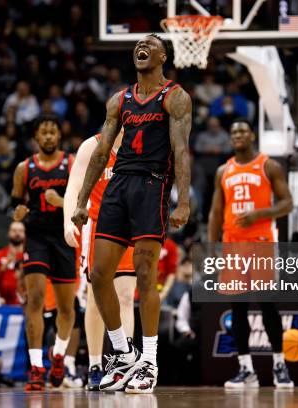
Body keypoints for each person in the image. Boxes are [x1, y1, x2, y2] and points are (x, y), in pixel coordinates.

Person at [71, 34, 192, 393]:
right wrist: (80, 201)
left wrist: (182, 200)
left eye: (150, 45)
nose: (141, 48)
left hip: (151, 185)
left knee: (144, 274)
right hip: (118, 185)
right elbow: (100, 151)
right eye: (137, 45)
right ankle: (123, 354)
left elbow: (181, 151)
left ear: (163, 56)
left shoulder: (175, 97)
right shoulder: (119, 100)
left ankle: (150, 362)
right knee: (98, 275)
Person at [207, 119, 294, 389]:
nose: (238, 135)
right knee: (238, 308)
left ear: (252, 135)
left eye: (242, 131)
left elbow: (288, 203)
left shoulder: (269, 165)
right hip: (232, 244)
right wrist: (213, 248)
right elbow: (215, 212)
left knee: (267, 304)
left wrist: (260, 214)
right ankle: (246, 369)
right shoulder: (223, 170)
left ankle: (280, 365)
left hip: (261, 242)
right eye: (233, 131)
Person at [63, 129, 137, 391]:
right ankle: (95, 364)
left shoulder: (140, 145)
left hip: (129, 226)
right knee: (96, 297)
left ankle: (123, 365)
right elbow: (73, 187)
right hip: (96, 225)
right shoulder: (90, 146)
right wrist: (67, 222)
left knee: (126, 296)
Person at [10, 114, 76, 391]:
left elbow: (80, 203)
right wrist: (18, 212)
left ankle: (58, 355)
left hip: (63, 237)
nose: (48, 136)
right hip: (36, 237)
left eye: (52, 132)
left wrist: (61, 201)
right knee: (35, 300)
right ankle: (36, 367)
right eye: (43, 132)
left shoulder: (71, 164)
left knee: (65, 308)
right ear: (36, 137)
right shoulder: (24, 168)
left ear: (59, 136)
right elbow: (16, 204)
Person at [0, 222, 25, 305]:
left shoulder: (29, 256)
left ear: (25, 234)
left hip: (25, 301)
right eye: (14, 231)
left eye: (20, 231)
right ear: (8, 233)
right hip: (3, 302)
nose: (17, 233)